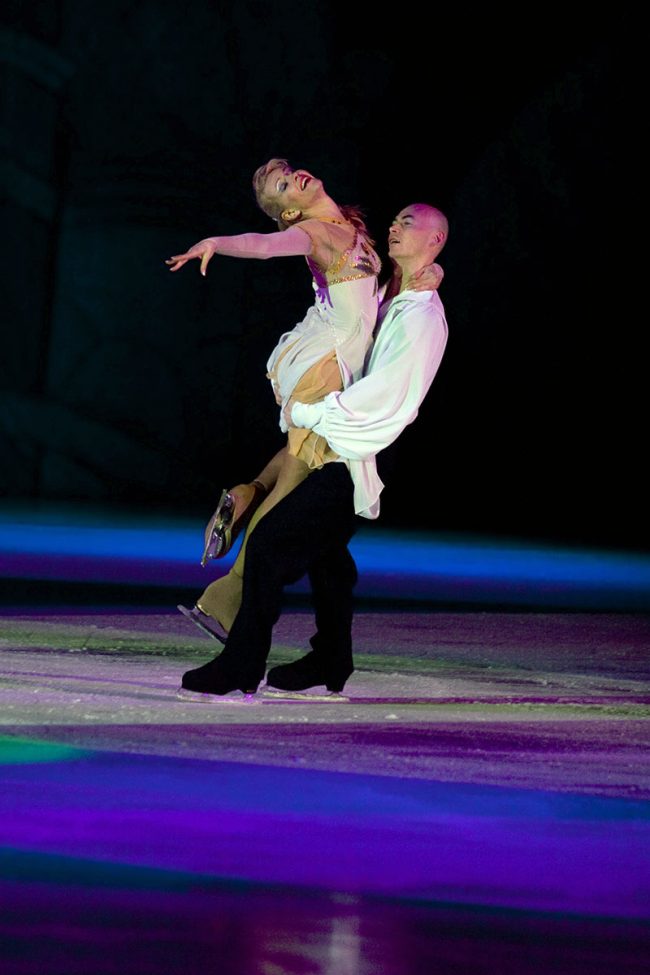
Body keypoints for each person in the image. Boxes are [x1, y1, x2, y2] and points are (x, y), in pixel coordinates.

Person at [179, 202, 449, 699]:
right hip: (345, 438)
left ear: (435, 240)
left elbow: (388, 398)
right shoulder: (393, 293)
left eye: (408, 223)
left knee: (270, 543)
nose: (395, 225)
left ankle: (242, 663)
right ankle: (331, 657)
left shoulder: (422, 319)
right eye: (395, 219)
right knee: (328, 557)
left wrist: (312, 415)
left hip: (362, 446)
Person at [167, 159, 381, 637]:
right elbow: (263, 248)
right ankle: (222, 603)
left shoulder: (346, 225)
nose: (296, 176)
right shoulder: (313, 233)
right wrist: (217, 244)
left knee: (293, 465)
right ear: (287, 213)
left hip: (330, 359)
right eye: (283, 185)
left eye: (289, 171)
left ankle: (247, 494)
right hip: (322, 368)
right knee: (294, 490)